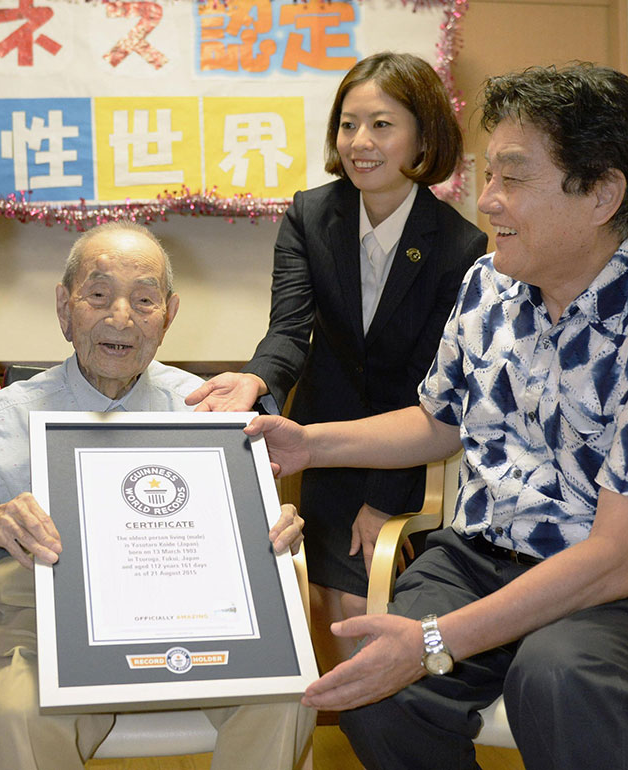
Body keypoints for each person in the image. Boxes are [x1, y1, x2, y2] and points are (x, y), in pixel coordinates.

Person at [245, 63, 628, 769]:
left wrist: (432, 640)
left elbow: (613, 558)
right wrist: (307, 445)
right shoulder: (489, 285)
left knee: (557, 678)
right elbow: (438, 421)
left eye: (513, 178)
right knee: (371, 683)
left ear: (602, 193)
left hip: (602, 588)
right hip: (481, 556)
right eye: (489, 175)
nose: (487, 202)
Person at [0, 220, 314, 770]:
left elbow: (249, 542)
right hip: (51, 639)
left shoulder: (208, 409)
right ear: (64, 307)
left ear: (168, 315)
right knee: (20, 713)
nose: (121, 318)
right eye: (98, 294)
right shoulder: (8, 415)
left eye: (143, 300)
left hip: (194, 630)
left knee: (289, 693)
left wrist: (276, 530)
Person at [188, 52, 487, 670]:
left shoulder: (461, 245)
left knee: (362, 613)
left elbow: (429, 386)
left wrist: (384, 500)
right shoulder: (310, 214)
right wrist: (255, 379)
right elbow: (289, 331)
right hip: (317, 441)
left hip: (401, 453)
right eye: (349, 125)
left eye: (381, 125)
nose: (360, 142)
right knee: (317, 607)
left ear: (424, 136)